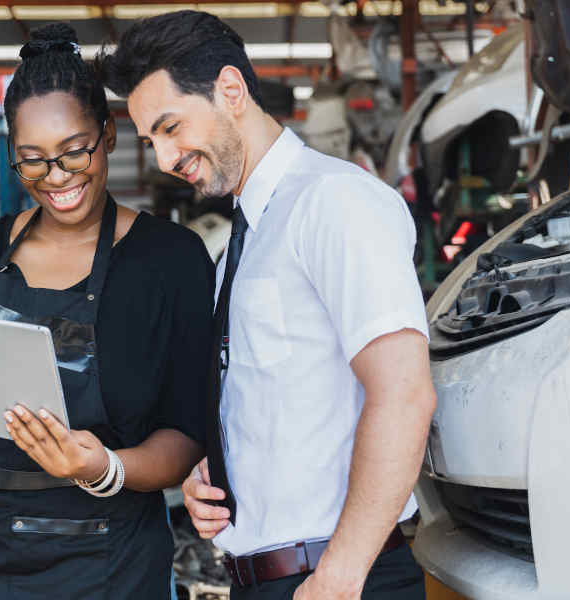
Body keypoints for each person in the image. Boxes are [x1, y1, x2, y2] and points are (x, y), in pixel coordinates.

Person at [100, 11, 438, 600]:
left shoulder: (331, 202)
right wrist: (222, 475)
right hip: (267, 579)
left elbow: (404, 392)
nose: (163, 157)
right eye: (152, 139)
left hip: (336, 579)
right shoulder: (247, 237)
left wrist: (340, 574)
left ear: (231, 90)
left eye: (171, 126)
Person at [0, 23, 213, 599]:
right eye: (31, 161)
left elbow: (187, 434)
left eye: (73, 152)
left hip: (104, 560)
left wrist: (105, 468)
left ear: (108, 135)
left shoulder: (170, 261)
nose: (56, 178)